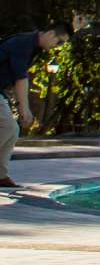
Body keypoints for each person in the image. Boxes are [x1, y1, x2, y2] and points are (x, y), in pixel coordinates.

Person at [0, 26, 64, 186]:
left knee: (12, 130)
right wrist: (24, 108)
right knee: (8, 127)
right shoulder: (24, 43)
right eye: (60, 41)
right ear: (50, 33)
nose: (60, 46)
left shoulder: (31, 45)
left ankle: (0, 175)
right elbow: (20, 78)